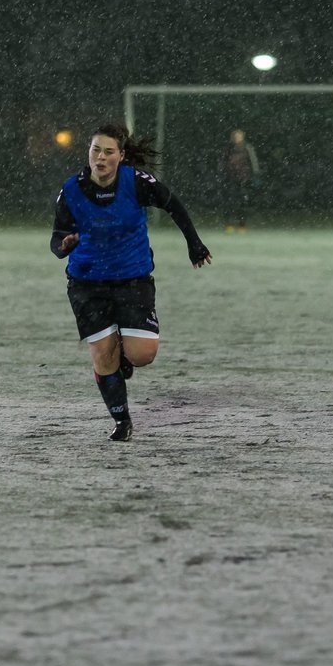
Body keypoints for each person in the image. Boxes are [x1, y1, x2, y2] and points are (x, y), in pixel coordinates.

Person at [50, 123, 212, 442]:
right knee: (103, 356)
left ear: (121, 156)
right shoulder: (71, 190)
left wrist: (194, 242)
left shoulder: (136, 182)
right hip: (87, 284)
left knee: (142, 355)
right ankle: (122, 420)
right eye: (96, 150)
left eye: (109, 152)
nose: (101, 157)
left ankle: (124, 354)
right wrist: (64, 246)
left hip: (132, 278)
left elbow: (172, 203)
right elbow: (56, 239)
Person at [220, 128, 261, 231]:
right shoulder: (228, 149)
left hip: (244, 179)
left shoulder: (247, 147)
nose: (236, 138)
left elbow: (253, 161)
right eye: (234, 136)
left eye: (238, 136)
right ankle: (229, 224)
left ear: (242, 137)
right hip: (230, 179)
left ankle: (242, 224)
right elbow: (222, 162)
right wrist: (223, 173)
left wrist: (254, 175)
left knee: (243, 202)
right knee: (230, 201)